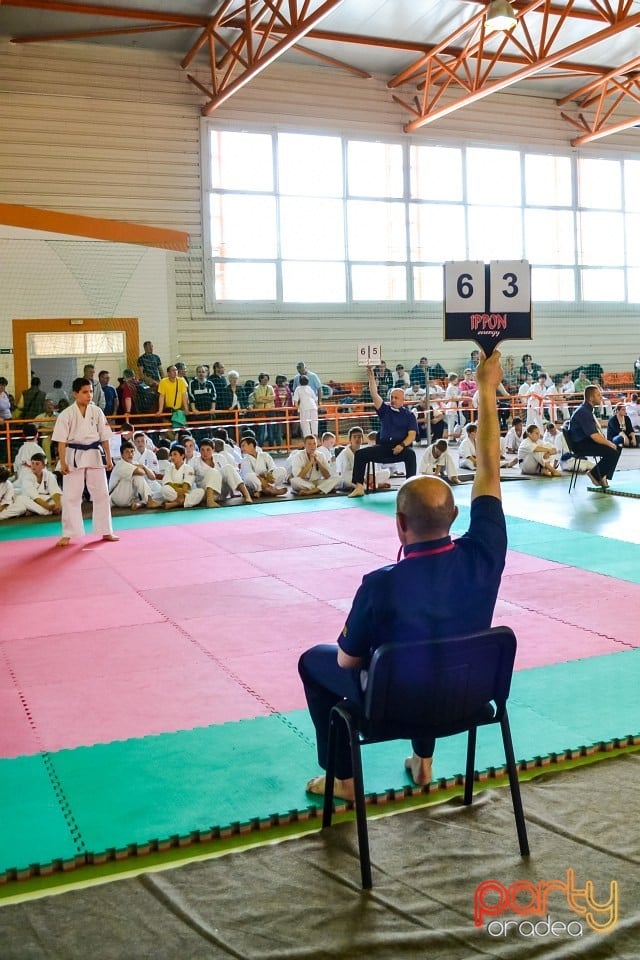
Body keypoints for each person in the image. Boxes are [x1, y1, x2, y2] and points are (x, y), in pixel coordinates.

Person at [298, 349, 507, 800]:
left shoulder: (381, 584)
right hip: (470, 699)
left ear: (399, 524)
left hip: (393, 709)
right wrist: (487, 390)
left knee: (314, 662)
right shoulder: (485, 555)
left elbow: (347, 663)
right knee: (438, 648)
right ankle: (424, 762)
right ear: (455, 517)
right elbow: (489, 467)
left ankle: (344, 779)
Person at [51, 377, 118, 547]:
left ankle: (106, 530)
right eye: (85, 392)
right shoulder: (66, 414)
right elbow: (61, 441)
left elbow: (105, 437)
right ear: (75, 394)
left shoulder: (97, 412)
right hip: (73, 454)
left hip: (95, 453)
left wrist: (109, 458)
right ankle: (69, 533)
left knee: (101, 494)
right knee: (71, 496)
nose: (89, 395)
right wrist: (63, 462)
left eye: (90, 392)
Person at [347, 367, 418, 499]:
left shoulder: (409, 415)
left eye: (396, 398)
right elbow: (374, 394)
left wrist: (402, 446)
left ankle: (410, 488)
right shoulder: (385, 409)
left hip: (401, 447)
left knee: (411, 455)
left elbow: (412, 435)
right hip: (384, 447)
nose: (393, 400)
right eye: (392, 397)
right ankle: (358, 487)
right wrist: (371, 377)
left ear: (403, 400)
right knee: (361, 454)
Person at [567, 384, 621, 489]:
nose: (600, 397)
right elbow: (594, 436)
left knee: (616, 448)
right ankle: (595, 474)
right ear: (591, 398)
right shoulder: (584, 412)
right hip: (580, 445)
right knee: (613, 451)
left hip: (585, 441)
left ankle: (603, 475)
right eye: (598, 395)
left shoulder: (587, 410)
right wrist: (609, 443)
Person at [108, 441, 162, 510]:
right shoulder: (120, 464)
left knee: (158, 492)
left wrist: (143, 466)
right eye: (127, 452)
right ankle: (148, 501)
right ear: (122, 455)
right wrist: (140, 467)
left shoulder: (135, 463)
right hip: (118, 497)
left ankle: (140, 503)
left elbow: (153, 477)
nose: (130, 454)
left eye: (132, 451)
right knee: (137, 476)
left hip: (130, 498)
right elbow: (141, 473)